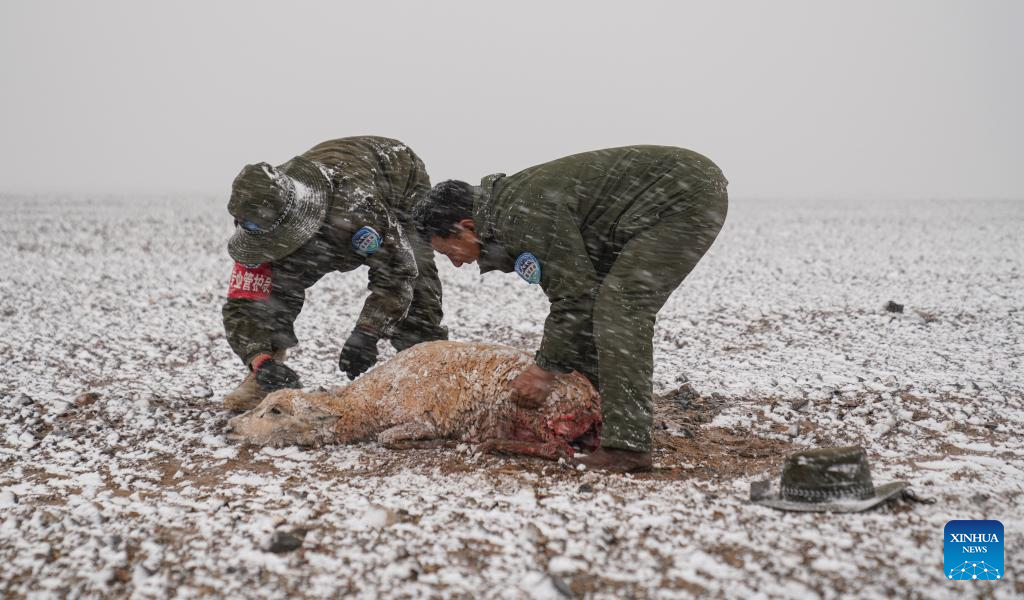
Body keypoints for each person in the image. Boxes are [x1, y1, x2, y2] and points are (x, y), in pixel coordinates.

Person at [412, 145, 728, 472]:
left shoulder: (523, 213)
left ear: (467, 227)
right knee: (602, 306)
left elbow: (574, 299)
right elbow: (578, 299)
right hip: (656, 203)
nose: (456, 263)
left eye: (448, 251)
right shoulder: (508, 214)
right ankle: (603, 421)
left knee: (621, 306)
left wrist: (543, 370)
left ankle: (628, 447)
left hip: (681, 196)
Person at [222, 136, 447, 411]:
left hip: (396, 176)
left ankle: (429, 374)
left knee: (418, 270)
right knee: (274, 288)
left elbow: (399, 271)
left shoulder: (355, 207)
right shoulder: (256, 221)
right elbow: (243, 302)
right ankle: (263, 380)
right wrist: (261, 361)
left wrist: (367, 331)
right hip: (325, 207)